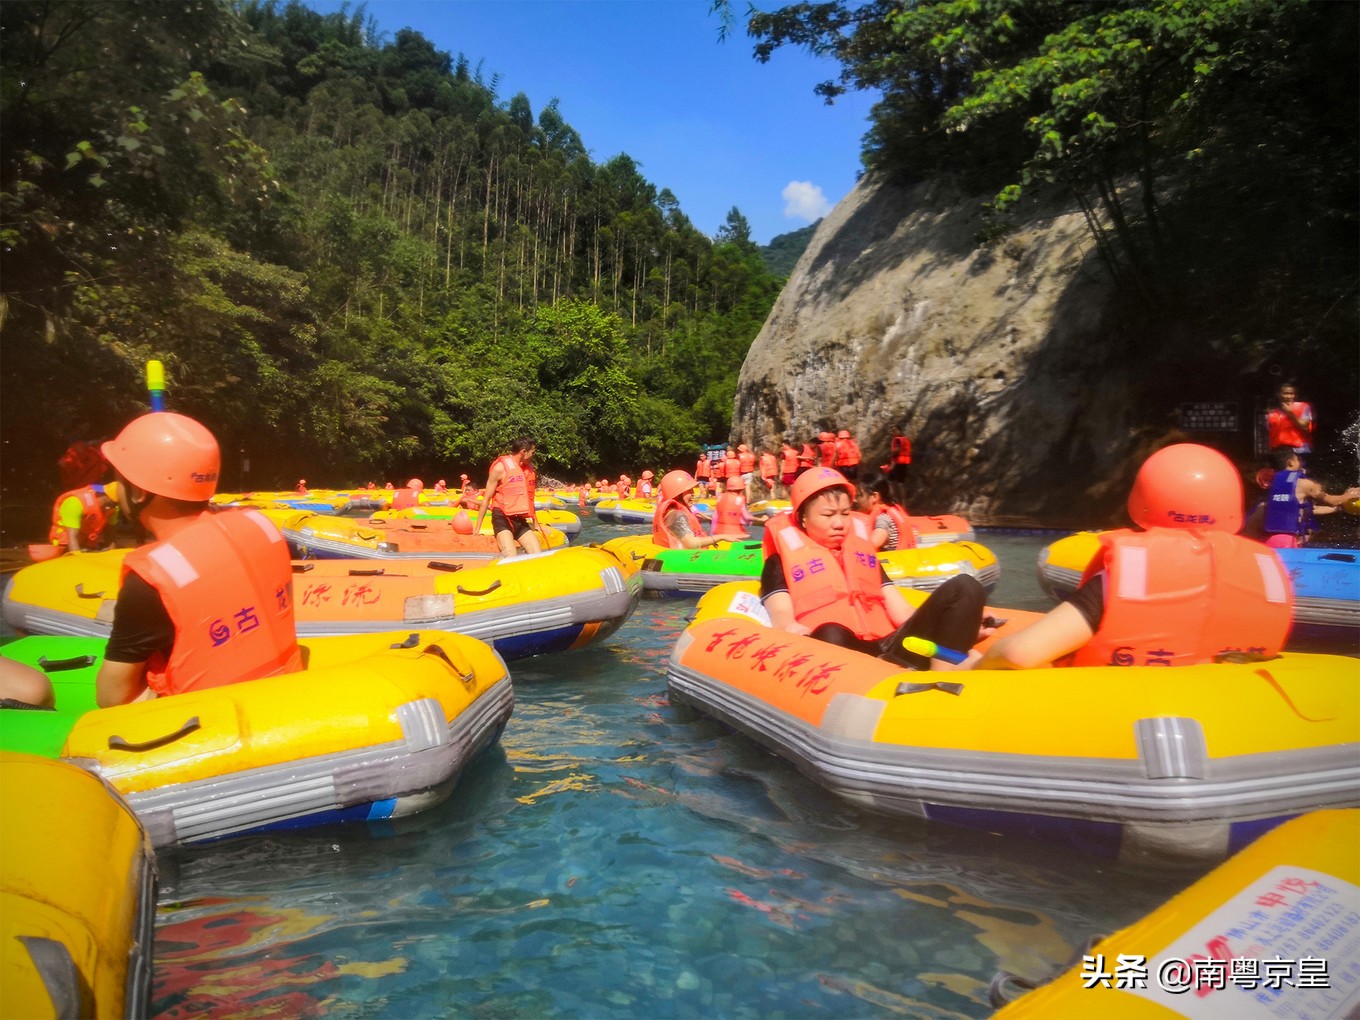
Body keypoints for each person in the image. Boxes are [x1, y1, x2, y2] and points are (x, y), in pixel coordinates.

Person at [969, 444, 1294, 671]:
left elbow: (1017, 654)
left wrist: (976, 668)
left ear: (1141, 502)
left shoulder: (1129, 574)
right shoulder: (1267, 569)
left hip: (1120, 718)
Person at [95, 412, 302, 707]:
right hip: (287, 691)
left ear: (139, 491)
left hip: (212, 723)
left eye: (118, 481)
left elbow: (112, 698)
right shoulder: (261, 527)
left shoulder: (148, 582)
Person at [761, 467, 989, 671]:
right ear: (803, 519)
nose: (839, 523)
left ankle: (943, 673)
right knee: (830, 631)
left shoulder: (863, 555)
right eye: (828, 515)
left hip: (891, 646)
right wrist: (794, 631)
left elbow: (902, 614)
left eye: (845, 513)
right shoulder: (778, 563)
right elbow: (782, 617)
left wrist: (957, 622)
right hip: (840, 652)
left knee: (965, 587)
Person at [1258, 447, 1360, 548]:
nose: (1301, 463)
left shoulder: (1272, 483)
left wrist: (1337, 509)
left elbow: (1310, 509)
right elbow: (1333, 500)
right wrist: (1349, 495)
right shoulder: (1305, 484)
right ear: (1291, 463)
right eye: (1298, 459)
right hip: (1288, 541)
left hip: (1270, 539)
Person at [474, 438, 545, 557]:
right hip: (502, 517)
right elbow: (486, 499)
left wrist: (536, 524)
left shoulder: (526, 469)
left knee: (537, 554)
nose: (533, 455)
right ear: (523, 452)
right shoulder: (500, 469)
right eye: (532, 452)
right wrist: (477, 529)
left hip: (519, 519)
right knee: (510, 554)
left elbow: (529, 498)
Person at [652, 470, 724, 550]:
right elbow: (691, 544)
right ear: (678, 494)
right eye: (689, 490)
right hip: (682, 558)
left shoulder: (673, 512)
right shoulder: (676, 515)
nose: (693, 494)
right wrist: (722, 537)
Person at [48, 481, 120, 553]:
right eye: (109, 503)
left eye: (114, 505)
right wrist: (77, 559)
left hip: (87, 543)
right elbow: (72, 536)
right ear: (100, 494)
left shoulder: (113, 508)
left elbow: (111, 534)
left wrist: (112, 553)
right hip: (65, 543)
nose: (109, 508)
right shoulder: (75, 503)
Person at [853, 482, 916, 551]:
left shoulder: (883, 518)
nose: (854, 500)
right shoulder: (893, 510)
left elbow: (873, 543)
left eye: (858, 496)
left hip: (891, 561)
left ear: (874, 496)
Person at [1265, 382, 1314, 463]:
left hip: (1298, 451)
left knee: (1298, 475)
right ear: (1279, 394)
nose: (1289, 397)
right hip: (1279, 452)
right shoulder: (1272, 413)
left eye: (1292, 394)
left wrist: (1290, 413)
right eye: (1285, 394)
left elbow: (1305, 426)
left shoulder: (1303, 407)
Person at [888, 430, 913, 507]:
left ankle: (894, 500)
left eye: (894, 430)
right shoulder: (906, 439)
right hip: (904, 463)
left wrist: (890, 456)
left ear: (899, 430)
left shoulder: (897, 440)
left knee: (890, 481)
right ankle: (903, 503)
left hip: (897, 463)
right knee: (901, 484)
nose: (892, 432)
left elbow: (897, 451)